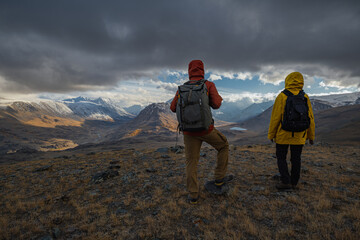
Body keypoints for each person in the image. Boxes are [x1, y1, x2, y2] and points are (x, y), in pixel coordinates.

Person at [170, 60, 231, 204]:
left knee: (191, 161)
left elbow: (173, 108)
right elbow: (216, 105)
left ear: (189, 71)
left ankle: (193, 195)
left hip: (189, 133)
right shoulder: (208, 85)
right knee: (223, 146)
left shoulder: (182, 89)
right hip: (206, 130)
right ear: (202, 70)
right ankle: (219, 179)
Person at [268, 72, 315, 190]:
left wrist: (271, 134)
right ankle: (294, 182)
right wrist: (311, 136)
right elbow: (310, 118)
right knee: (296, 158)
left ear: (287, 81)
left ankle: (285, 182)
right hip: (300, 134)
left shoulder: (282, 96)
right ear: (301, 82)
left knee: (281, 157)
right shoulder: (304, 97)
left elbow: (275, 117)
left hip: (283, 133)